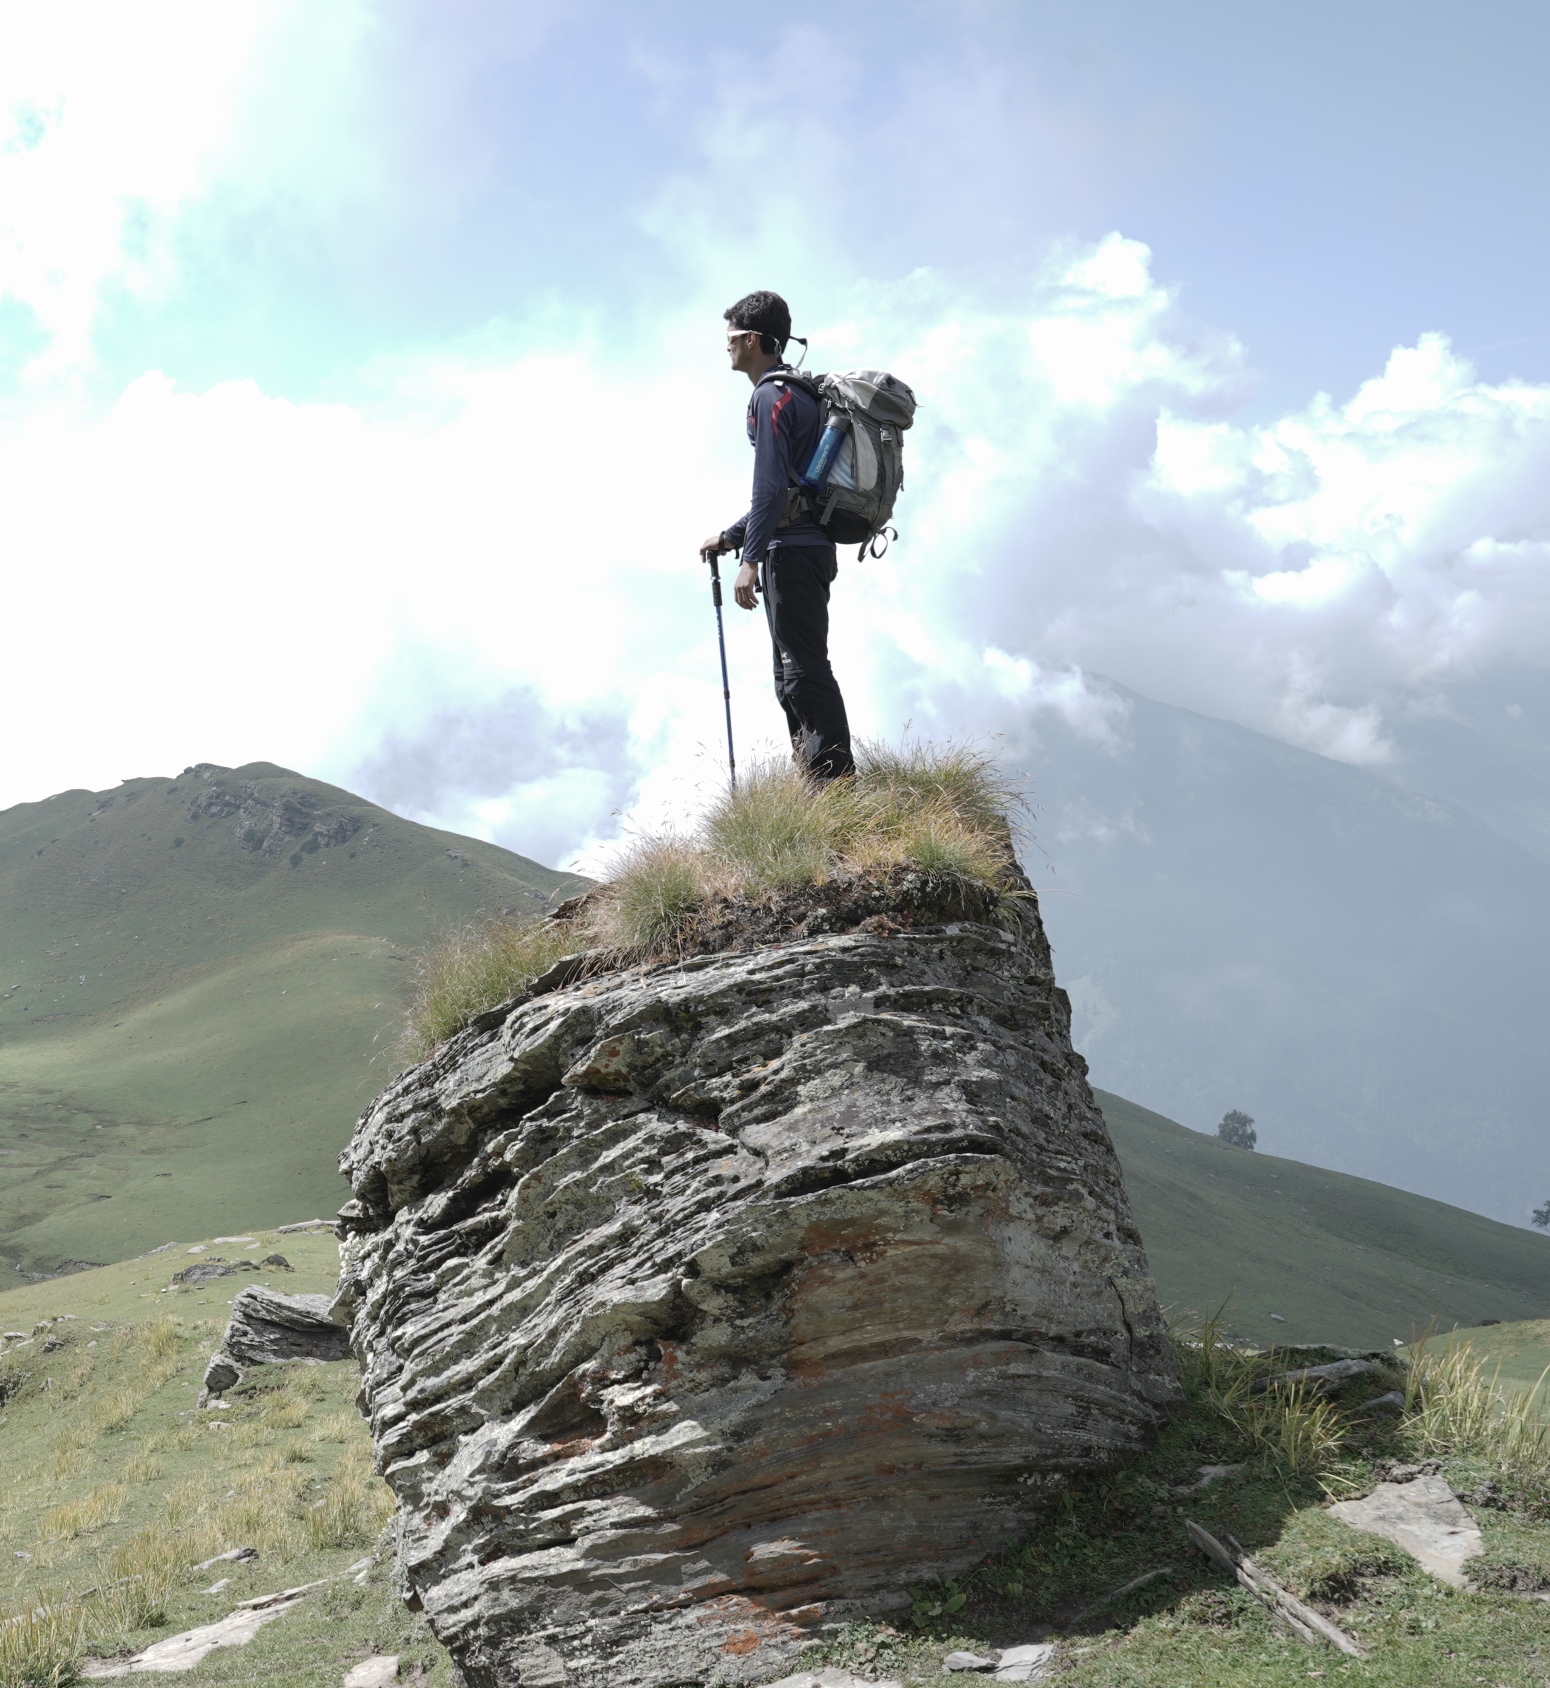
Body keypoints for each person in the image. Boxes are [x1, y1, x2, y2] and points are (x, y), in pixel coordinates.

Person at [700, 290, 855, 782]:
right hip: (808, 548)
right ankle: (815, 781)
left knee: (802, 672)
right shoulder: (799, 394)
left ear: (750, 340)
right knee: (794, 673)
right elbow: (792, 488)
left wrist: (749, 557)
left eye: (730, 338)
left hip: (790, 553)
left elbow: (769, 485)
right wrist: (731, 536)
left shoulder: (769, 395)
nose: (726, 347)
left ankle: (835, 785)